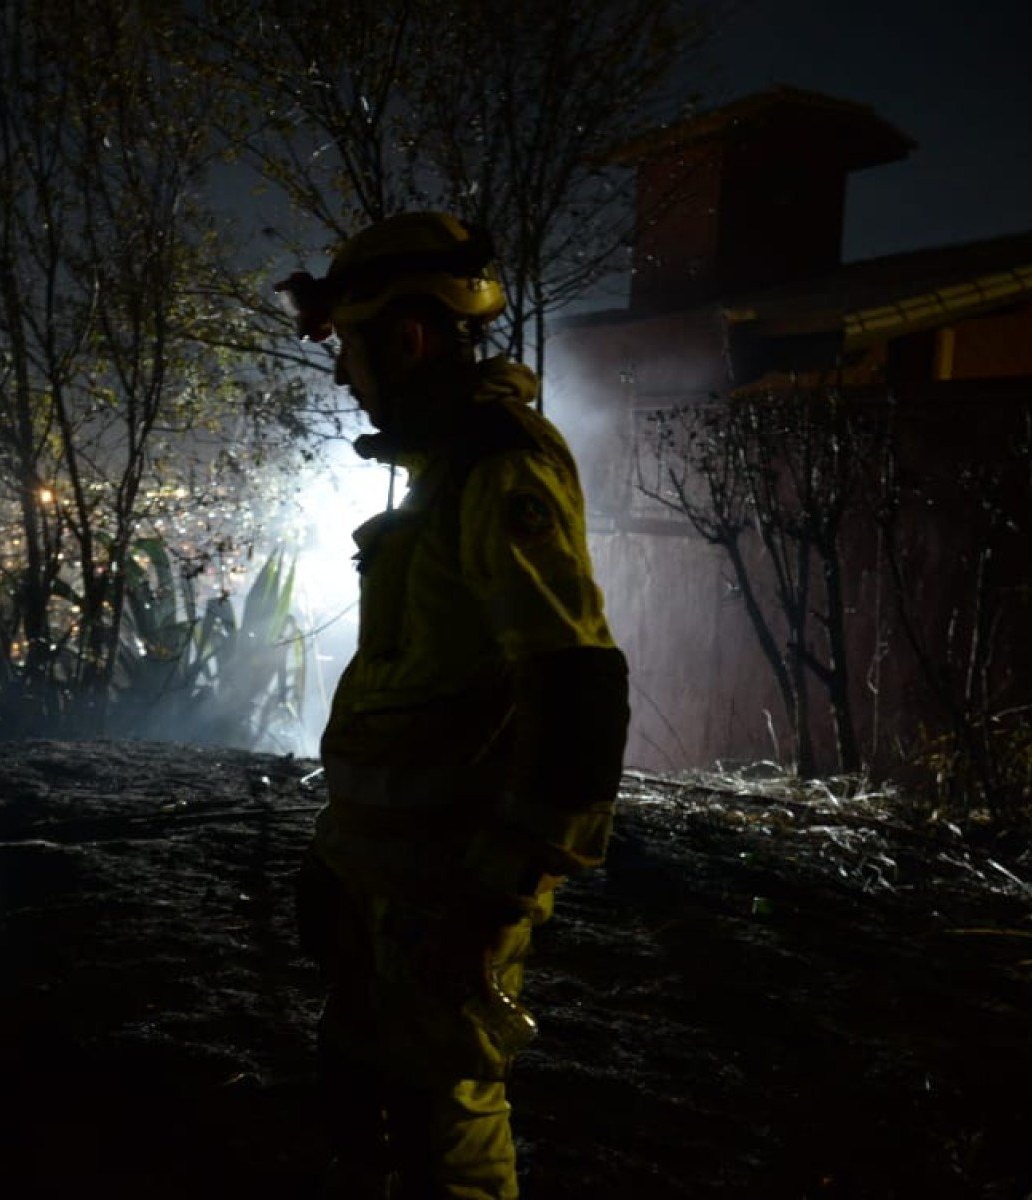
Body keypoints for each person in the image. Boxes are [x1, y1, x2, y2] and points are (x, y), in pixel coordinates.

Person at [279, 212, 630, 1199]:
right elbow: (419, 681)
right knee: (367, 1099)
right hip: (389, 876)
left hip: (451, 886)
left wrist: (502, 892)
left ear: (408, 335)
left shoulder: (498, 466)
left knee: (443, 1121)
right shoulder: (439, 470)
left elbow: (576, 688)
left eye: (350, 346)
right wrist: (337, 854)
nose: (345, 374)